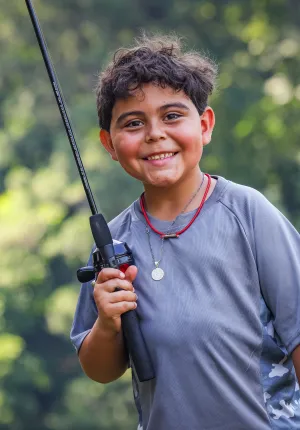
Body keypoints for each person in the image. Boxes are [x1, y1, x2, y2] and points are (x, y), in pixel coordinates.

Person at [70, 34, 300, 429]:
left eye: (172, 116)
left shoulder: (249, 213)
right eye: (133, 123)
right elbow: (100, 369)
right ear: (109, 143)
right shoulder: (112, 242)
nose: (155, 133)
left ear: (205, 125)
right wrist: (107, 322)